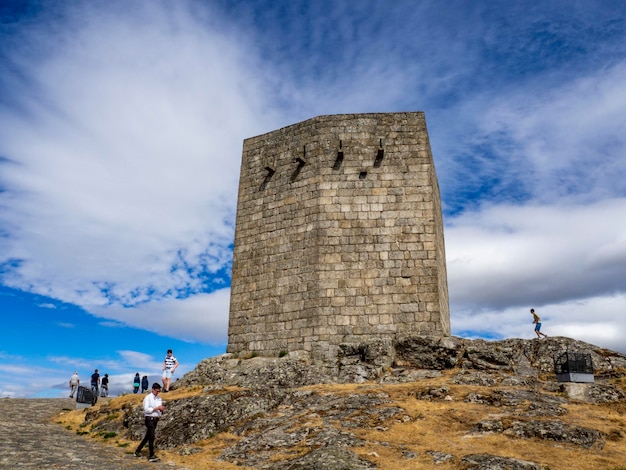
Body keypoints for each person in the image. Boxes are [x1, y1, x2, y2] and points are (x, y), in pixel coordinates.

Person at [134, 383, 165, 462]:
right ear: (153, 389)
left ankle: (137, 450)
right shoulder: (147, 398)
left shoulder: (159, 399)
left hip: (155, 419)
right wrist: (156, 408)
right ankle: (151, 455)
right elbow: (146, 409)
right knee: (152, 436)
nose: (157, 393)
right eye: (157, 391)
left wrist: (161, 410)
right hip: (149, 419)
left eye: (159, 391)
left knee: (148, 436)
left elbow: (159, 408)